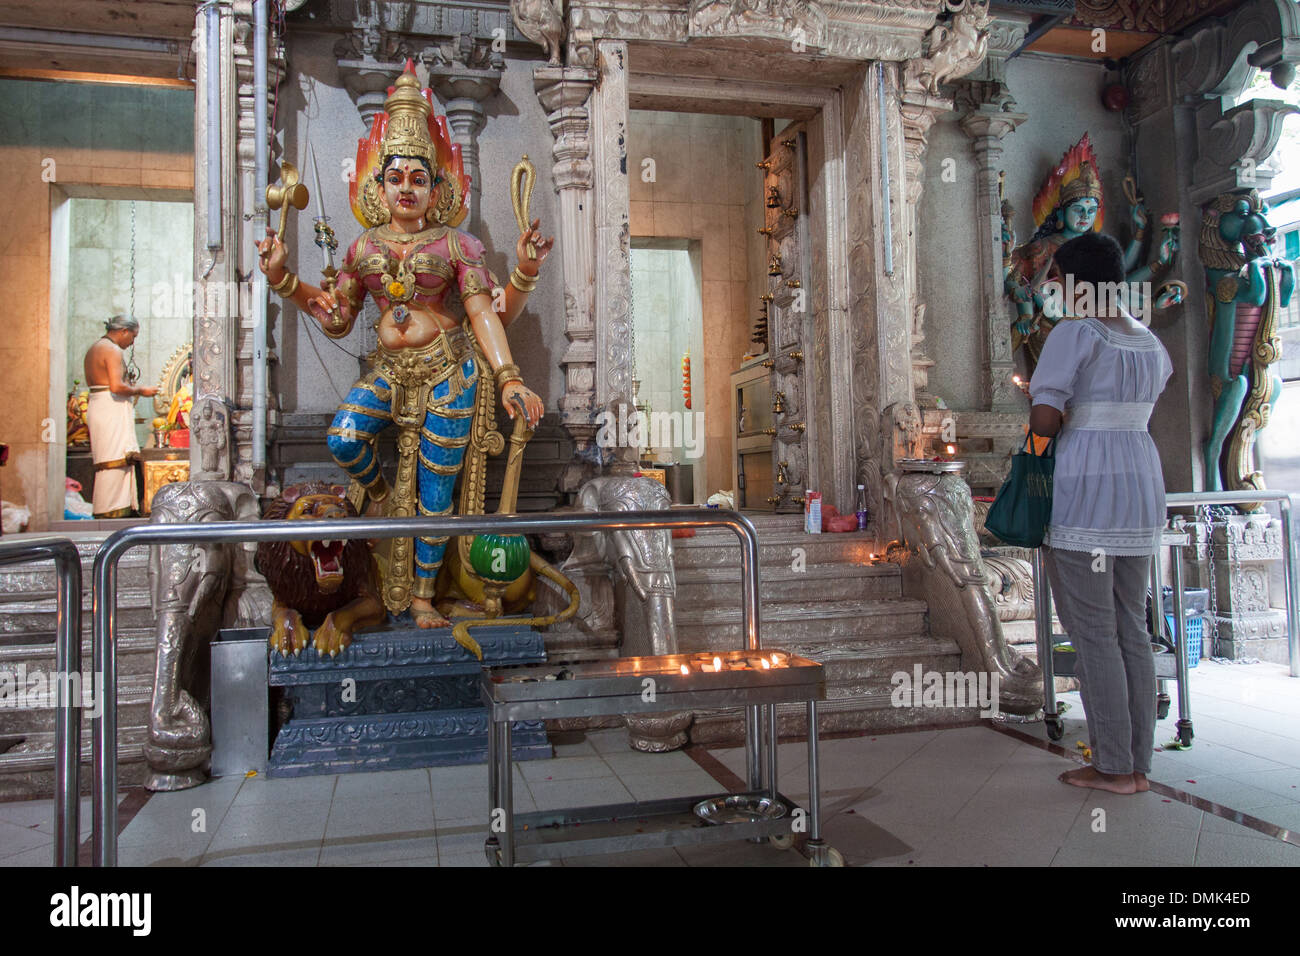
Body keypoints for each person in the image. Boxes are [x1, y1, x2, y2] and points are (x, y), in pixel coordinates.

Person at [257, 63, 551, 629]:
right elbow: (339, 318)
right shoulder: (362, 245)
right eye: (398, 178)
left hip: (449, 373)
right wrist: (285, 281)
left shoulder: (456, 245)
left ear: (437, 188)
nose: (409, 188)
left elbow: (481, 312)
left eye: (420, 178)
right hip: (390, 370)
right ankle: (386, 498)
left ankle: (421, 598)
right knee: (345, 437)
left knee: (438, 493)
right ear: (379, 185)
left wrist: (509, 375)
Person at [1027, 232, 1173, 795]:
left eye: (1056, 277)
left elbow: (1045, 418)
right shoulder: (1147, 341)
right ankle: (1137, 765)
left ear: (1074, 280)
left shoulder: (1075, 333)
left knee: (1092, 632)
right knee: (1131, 627)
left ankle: (1112, 765)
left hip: (1086, 484)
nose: (1051, 287)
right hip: (1138, 479)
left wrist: (1035, 466)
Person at [83, 315, 158, 518]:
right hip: (109, 406)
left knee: (112, 459)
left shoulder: (95, 347)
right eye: (133, 336)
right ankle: (111, 511)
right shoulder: (112, 349)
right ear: (123, 331)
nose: (132, 342)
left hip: (101, 405)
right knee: (115, 459)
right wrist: (141, 390)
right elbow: (116, 386)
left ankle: (112, 508)